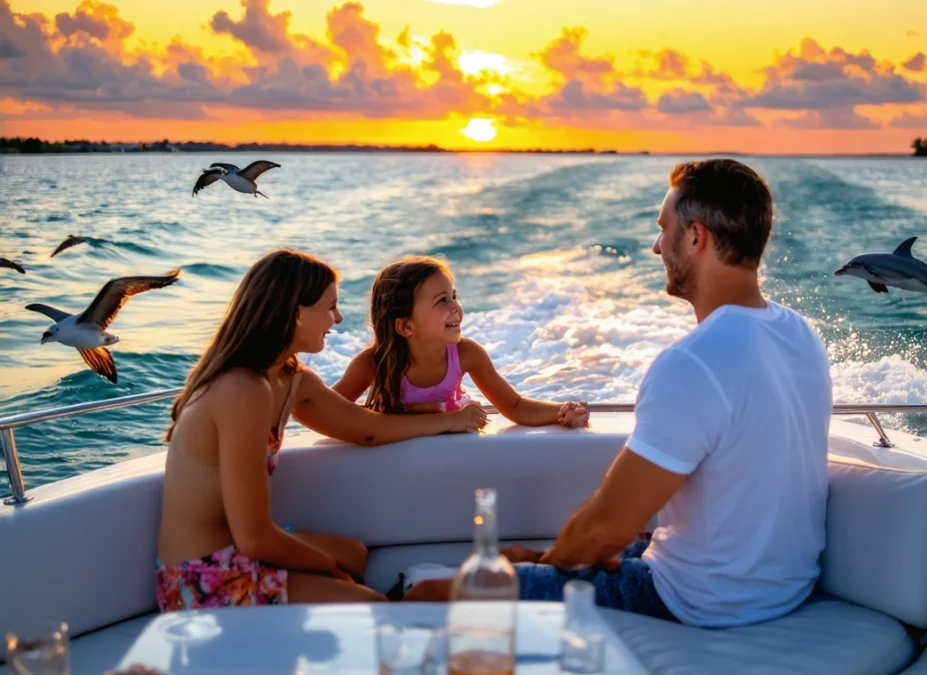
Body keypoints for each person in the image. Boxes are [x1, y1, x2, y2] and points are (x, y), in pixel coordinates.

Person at [406, 159, 833, 629]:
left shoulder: (693, 362)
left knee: (427, 595)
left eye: (663, 229)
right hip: (785, 588)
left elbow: (607, 529)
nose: (656, 246)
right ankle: (530, 561)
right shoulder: (801, 334)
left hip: (699, 599)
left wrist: (553, 570)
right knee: (535, 554)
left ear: (696, 237)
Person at [156, 249, 488, 611]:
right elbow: (255, 538)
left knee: (355, 554)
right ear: (296, 312)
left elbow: (368, 429)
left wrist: (449, 418)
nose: (338, 318)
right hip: (203, 578)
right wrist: (329, 569)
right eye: (330, 307)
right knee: (372, 603)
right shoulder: (241, 391)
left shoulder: (291, 378)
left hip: (239, 552)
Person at [334, 256, 589, 427]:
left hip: (454, 449)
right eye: (442, 300)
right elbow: (329, 411)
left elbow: (516, 406)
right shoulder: (375, 363)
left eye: (453, 296)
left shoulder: (466, 353)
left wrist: (562, 412)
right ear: (406, 326)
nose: (456, 306)